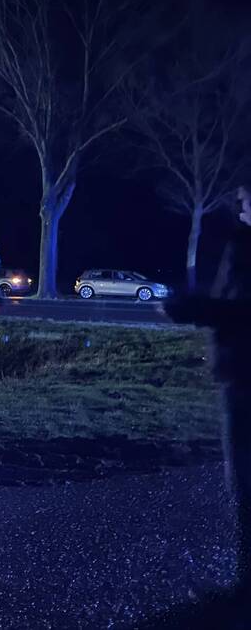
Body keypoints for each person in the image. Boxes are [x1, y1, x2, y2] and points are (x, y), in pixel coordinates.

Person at [164, 183, 251, 612]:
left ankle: (246, 591)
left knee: (246, 483)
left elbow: (242, 311)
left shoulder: (245, 246)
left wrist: (190, 308)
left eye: (247, 198)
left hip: (245, 377)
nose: (241, 204)